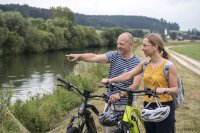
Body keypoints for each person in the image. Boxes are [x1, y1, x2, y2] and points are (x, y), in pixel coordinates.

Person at [65, 32, 142, 133]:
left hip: (126, 104)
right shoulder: (114, 55)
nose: (119, 46)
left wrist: (120, 95)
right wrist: (79, 56)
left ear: (131, 44)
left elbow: (135, 86)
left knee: (123, 130)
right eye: (118, 43)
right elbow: (94, 57)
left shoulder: (138, 62)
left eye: (122, 44)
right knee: (108, 130)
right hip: (110, 102)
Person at [102, 33, 178, 133]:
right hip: (148, 105)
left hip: (164, 106)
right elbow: (128, 75)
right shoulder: (145, 64)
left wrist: (165, 89)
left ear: (154, 46)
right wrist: (110, 80)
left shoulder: (168, 66)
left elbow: (175, 89)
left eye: (145, 45)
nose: (142, 48)